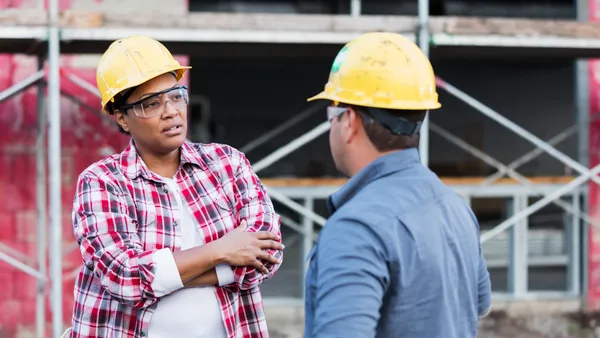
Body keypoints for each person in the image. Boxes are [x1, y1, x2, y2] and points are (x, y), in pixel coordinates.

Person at [67, 35, 284, 338]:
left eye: (176, 96)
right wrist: (221, 251)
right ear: (122, 118)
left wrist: (166, 275)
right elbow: (125, 279)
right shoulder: (103, 182)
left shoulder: (227, 164)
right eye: (150, 104)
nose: (170, 111)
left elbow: (266, 255)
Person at [303, 32, 492, 338]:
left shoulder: (356, 228)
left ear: (349, 121)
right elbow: (478, 303)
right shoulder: (454, 206)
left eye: (331, 113)